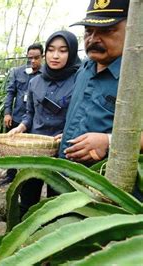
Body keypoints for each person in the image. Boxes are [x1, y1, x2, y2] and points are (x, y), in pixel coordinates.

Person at [59, 0, 142, 163]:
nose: (93, 39)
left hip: (104, 183)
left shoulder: (137, 77)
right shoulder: (83, 70)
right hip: (65, 174)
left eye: (107, 30)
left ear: (134, 30)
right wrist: (71, 134)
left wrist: (108, 141)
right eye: (88, 31)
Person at [9, 31, 81, 216]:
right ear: (45, 53)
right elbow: (30, 114)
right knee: (27, 197)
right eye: (51, 50)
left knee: (57, 203)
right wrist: (21, 127)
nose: (55, 56)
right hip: (36, 149)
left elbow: (82, 116)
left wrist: (70, 135)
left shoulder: (80, 80)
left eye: (63, 51)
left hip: (64, 151)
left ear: (71, 53)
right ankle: (24, 235)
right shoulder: (35, 82)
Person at [1, 43, 44, 186]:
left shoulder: (46, 75)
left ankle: (29, 177)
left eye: (36, 58)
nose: (32, 61)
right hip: (17, 116)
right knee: (11, 148)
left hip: (35, 119)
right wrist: (7, 113)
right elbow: (10, 93)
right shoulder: (17, 72)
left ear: (42, 57)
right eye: (30, 58)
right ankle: (10, 175)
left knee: (31, 150)